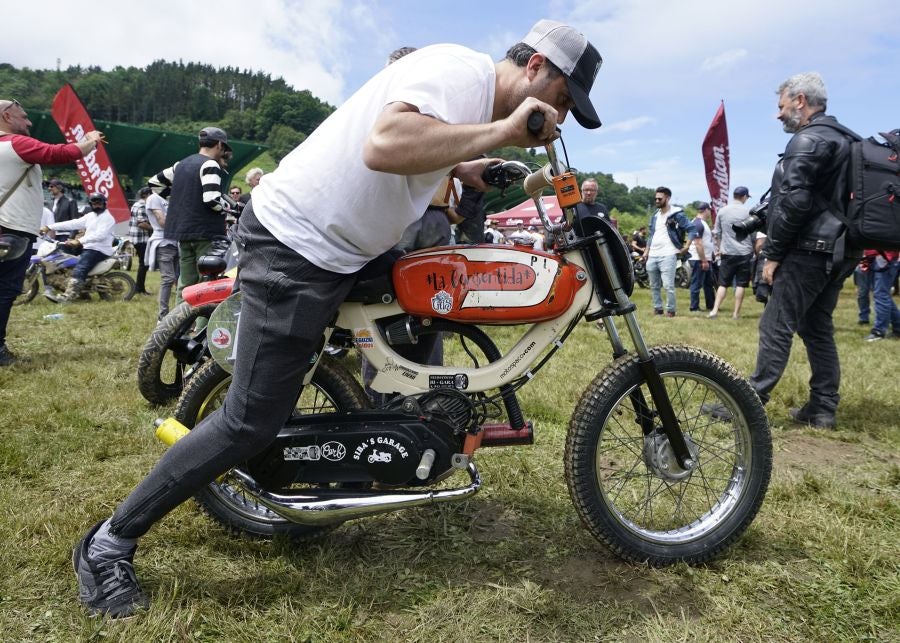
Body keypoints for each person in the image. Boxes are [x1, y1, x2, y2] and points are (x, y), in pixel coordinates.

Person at [72, 18, 603, 618]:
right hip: (298, 248)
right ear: (535, 67)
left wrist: (466, 168)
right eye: (562, 98)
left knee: (433, 294)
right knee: (249, 422)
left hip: (347, 250)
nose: (557, 113)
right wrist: (503, 131)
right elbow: (384, 144)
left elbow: (417, 147)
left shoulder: (467, 91)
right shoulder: (460, 71)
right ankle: (108, 543)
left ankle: (404, 434)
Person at [743, 72, 859, 429]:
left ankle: (750, 402)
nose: (778, 115)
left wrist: (773, 253)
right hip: (842, 250)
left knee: (776, 323)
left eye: (781, 107)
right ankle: (823, 408)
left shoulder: (808, 140)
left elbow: (794, 202)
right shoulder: (847, 140)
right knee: (817, 326)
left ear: (800, 100)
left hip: (809, 249)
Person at [0, 98, 103, 366]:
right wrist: (91, 140)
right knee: (5, 290)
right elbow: (61, 153)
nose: (29, 121)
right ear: (7, 116)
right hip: (11, 230)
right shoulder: (15, 144)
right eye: (24, 116)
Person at [149, 127, 231, 304]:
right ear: (218, 145)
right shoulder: (210, 165)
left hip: (182, 231)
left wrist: (181, 198)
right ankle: (201, 327)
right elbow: (212, 200)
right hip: (206, 232)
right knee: (206, 283)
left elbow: (154, 183)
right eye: (224, 148)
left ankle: (179, 324)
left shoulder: (180, 164)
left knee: (185, 282)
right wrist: (230, 209)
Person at [42, 193, 116, 302]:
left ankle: (68, 297)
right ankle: (82, 294)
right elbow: (73, 223)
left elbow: (100, 235)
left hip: (98, 249)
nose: (97, 205)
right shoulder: (91, 216)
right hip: (88, 247)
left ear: (104, 203)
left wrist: (79, 241)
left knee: (80, 269)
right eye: (94, 203)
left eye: (99, 202)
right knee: (67, 265)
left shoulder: (108, 218)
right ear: (90, 204)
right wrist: (49, 227)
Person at [643, 186, 695, 317]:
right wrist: (646, 251)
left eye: (659, 198)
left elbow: (692, 229)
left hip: (668, 254)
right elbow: (651, 235)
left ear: (667, 198)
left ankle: (671, 310)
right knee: (653, 285)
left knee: (668, 285)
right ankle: (658, 308)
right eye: (655, 198)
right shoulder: (655, 216)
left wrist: (687, 246)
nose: (657, 201)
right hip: (653, 254)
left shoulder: (677, 214)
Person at [707, 186, 754, 319]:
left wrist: (719, 248)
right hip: (745, 252)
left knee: (723, 283)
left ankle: (714, 311)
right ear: (744, 196)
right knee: (740, 284)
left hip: (727, 252)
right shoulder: (748, 212)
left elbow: (716, 233)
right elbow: (752, 233)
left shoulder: (722, 211)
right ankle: (735, 314)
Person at [144, 190, 178, 321]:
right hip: (162, 242)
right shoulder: (154, 198)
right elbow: (162, 222)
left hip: (175, 242)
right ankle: (162, 316)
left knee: (178, 280)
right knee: (168, 279)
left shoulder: (170, 197)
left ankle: (179, 314)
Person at [863, 249, 900, 341]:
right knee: (882, 295)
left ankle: (879, 331)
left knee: (881, 295)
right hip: (869, 256)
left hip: (885, 257)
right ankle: (898, 327)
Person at [688, 202, 716, 312]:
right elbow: (698, 243)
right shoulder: (698, 223)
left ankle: (711, 305)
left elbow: (705, 242)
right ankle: (694, 307)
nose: (710, 213)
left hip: (705, 258)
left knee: (708, 284)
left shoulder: (702, 223)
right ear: (706, 210)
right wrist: (704, 260)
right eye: (710, 210)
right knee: (697, 283)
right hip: (699, 259)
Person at [127, 187, 153, 295]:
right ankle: (139, 289)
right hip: (141, 238)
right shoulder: (143, 205)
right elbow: (141, 223)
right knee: (144, 264)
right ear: (146, 195)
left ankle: (139, 288)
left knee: (143, 263)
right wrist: (155, 228)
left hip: (135, 237)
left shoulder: (136, 204)